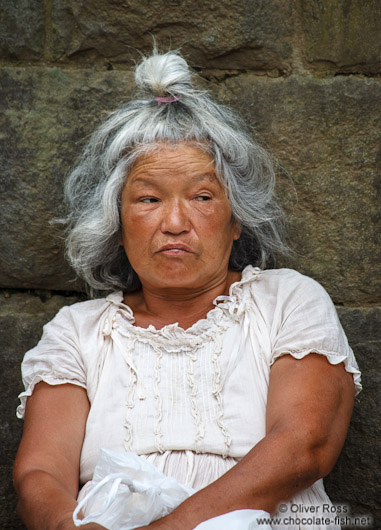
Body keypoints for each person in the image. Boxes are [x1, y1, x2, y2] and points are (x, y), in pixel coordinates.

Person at [13, 49, 361, 530]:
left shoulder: (287, 303)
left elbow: (305, 446)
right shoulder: (78, 332)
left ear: (236, 218)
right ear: (116, 223)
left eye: (201, 197)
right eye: (149, 198)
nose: (175, 223)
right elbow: (40, 473)